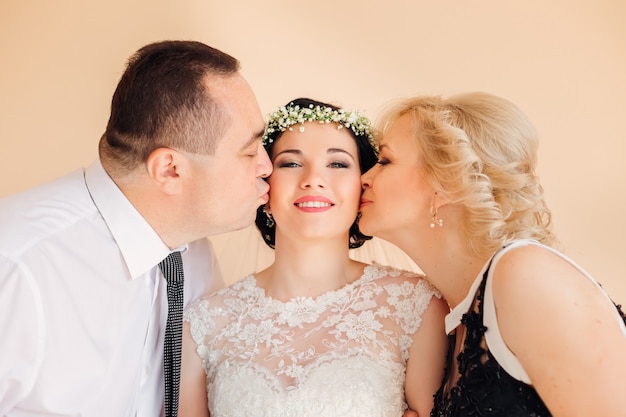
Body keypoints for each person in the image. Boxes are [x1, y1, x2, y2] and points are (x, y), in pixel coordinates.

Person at [0, 40, 272, 417]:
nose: (267, 167)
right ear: (169, 170)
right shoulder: (18, 266)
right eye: (249, 151)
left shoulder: (194, 257)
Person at [359, 91, 626, 417]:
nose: (364, 177)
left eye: (385, 161)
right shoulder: (458, 322)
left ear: (448, 184)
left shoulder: (524, 276)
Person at [179, 98, 449, 417]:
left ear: (363, 185)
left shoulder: (415, 306)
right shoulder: (205, 323)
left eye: (337, 164)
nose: (313, 180)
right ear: (264, 185)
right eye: (291, 163)